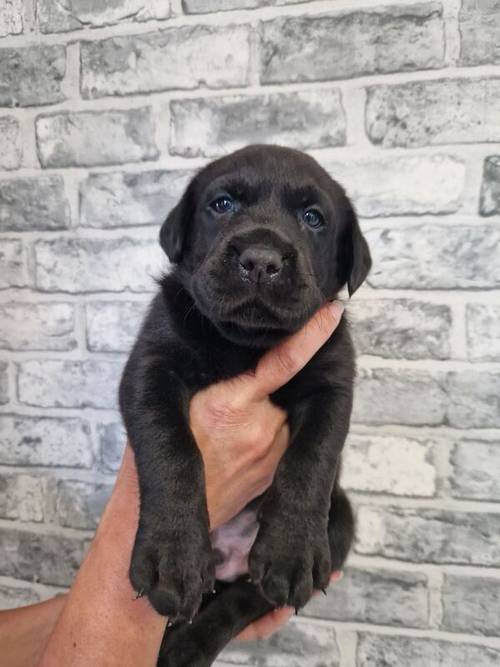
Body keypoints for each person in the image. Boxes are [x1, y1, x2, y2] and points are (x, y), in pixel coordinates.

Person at [0, 301, 345, 667]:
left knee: (336, 529)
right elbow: (147, 383)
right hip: (187, 540)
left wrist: (298, 516)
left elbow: (327, 408)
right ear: (178, 241)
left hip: (247, 552)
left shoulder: (325, 334)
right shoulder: (176, 313)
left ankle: (209, 628)